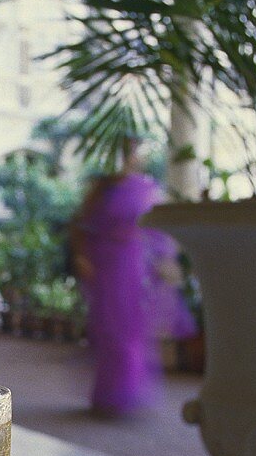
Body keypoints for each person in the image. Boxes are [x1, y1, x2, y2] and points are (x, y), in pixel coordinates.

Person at [73, 136, 190, 416]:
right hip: (105, 263)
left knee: (132, 329)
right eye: (127, 152)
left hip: (133, 263)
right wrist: (82, 258)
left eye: (135, 152)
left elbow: (157, 229)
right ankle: (107, 394)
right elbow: (80, 226)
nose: (132, 157)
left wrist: (164, 259)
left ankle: (127, 394)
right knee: (109, 328)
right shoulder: (102, 189)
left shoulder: (147, 188)